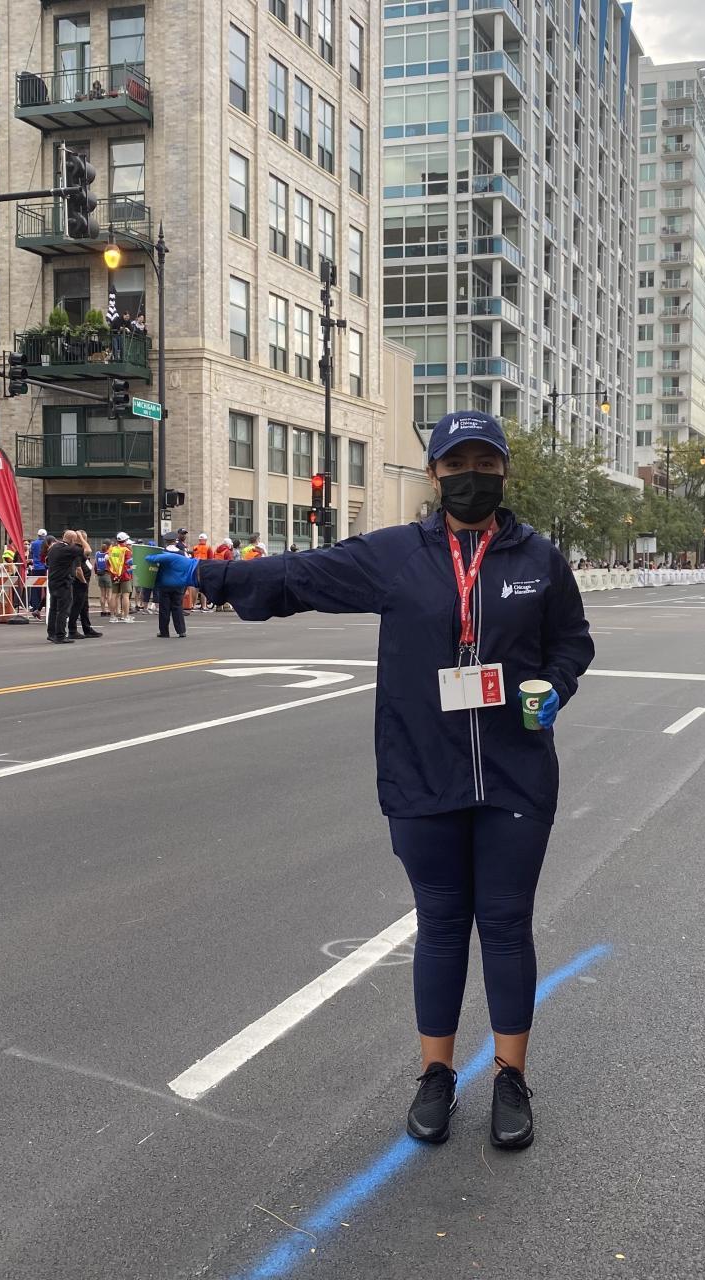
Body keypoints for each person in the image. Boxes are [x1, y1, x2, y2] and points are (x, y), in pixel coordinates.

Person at [149, 410, 594, 1150]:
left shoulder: (540, 559)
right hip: (421, 770)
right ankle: (436, 1074)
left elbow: (572, 641)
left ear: (504, 471)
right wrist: (204, 573)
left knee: (506, 924)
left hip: (514, 772)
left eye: (485, 464)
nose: (472, 477)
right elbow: (299, 575)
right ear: (434, 475)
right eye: (457, 465)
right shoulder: (398, 554)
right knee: (441, 925)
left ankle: (511, 1078)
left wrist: (556, 684)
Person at [46, 530, 85, 643]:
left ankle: (52, 633)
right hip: (63, 583)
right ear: (72, 540)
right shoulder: (68, 549)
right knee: (63, 610)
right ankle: (60, 635)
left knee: (53, 609)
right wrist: (81, 538)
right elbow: (86, 549)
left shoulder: (53, 548)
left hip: (53, 581)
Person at [67, 531, 102, 638]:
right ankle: (72, 630)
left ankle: (87, 628)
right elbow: (78, 569)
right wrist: (83, 581)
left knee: (84, 607)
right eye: (85, 538)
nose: (86, 540)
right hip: (79, 583)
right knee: (76, 606)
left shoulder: (80, 550)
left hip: (84, 583)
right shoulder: (76, 550)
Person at [157, 535, 189, 639]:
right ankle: (181, 631)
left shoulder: (162, 553)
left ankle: (164, 632)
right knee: (178, 606)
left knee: (164, 608)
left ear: (166, 542)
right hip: (178, 583)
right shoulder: (182, 553)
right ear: (175, 541)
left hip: (165, 583)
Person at [106, 532, 134, 622]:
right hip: (125, 575)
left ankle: (112, 617)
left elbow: (108, 562)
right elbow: (129, 564)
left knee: (114, 595)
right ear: (125, 540)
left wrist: (113, 573)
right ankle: (126, 616)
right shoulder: (126, 550)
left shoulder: (111, 549)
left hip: (114, 575)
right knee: (125, 596)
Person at [28, 528, 48, 617]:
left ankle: (35, 607)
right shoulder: (47, 543)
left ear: (38, 535)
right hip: (45, 568)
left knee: (36, 588)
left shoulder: (33, 544)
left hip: (36, 568)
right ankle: (47, 605)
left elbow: (31, 553)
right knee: (47, 589)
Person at [191, 533, 213, 609]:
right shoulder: (208, 548)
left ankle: (193, 605)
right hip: (204, 568)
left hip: (195, 567)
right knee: (204, 587)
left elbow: (192, 558)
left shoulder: (195, 547)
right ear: (206, 540)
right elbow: (211, 560)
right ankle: (204, 606)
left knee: (195, 587)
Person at [95, 540, 113, 616]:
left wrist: (96, 573)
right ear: (109, 546)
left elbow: (96, 564)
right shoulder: (109, 554)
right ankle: (109, 610)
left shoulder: (97, 554)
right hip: (107, 574)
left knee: (102, 594)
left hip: (100, 575)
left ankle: (103, 611)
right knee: (109, 594)